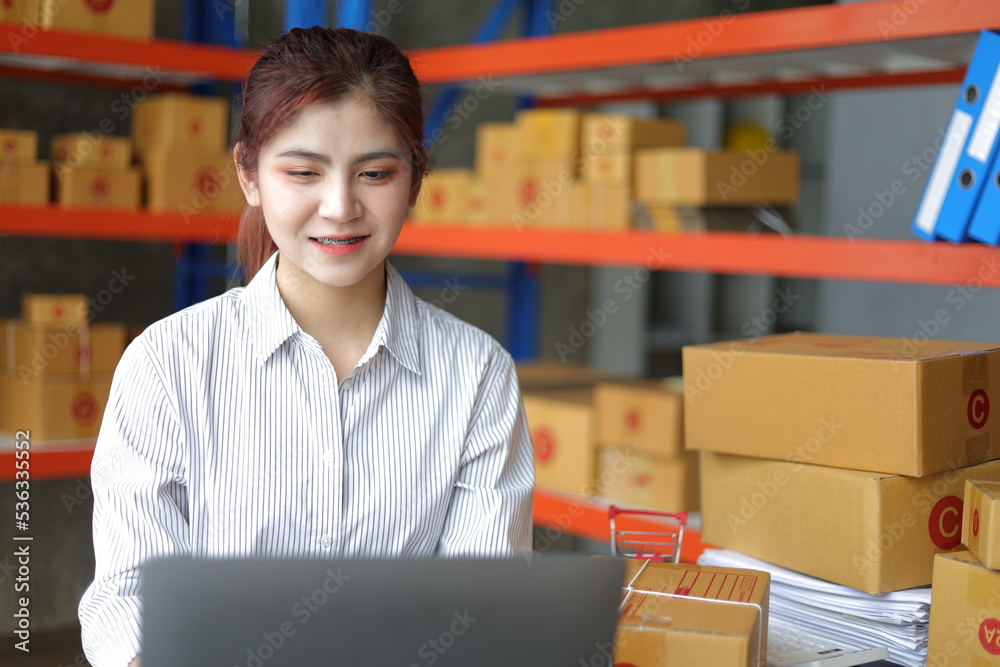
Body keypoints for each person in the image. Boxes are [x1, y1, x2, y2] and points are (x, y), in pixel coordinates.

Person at [78, 27, 534, 667]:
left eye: (375, 172)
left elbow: (480, 614)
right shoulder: (168, 366)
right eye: (303, 172)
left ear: (415, 179)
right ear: (249, 174)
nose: (340, 206)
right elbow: (130, 604)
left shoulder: (477, 376)